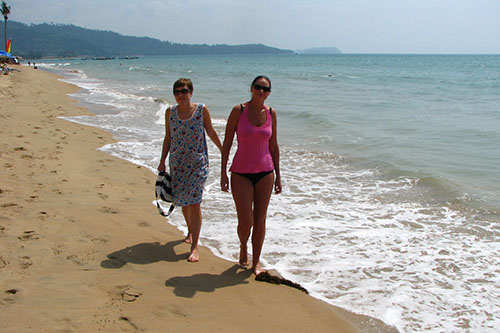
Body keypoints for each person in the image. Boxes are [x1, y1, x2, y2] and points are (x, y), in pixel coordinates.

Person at [221, 75, 282, 275]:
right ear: (251, 88)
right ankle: (243, 245)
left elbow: (273, 146)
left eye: (265, 89)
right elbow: (228, 142)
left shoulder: (271, 113)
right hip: (240, 172)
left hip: (266, 172)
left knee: (260, 219)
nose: (261, 91)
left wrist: (279, 175)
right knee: (246, 221)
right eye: (258, 87)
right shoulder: (238, 111)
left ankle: (256, 262)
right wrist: (222, 172)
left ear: (269, 93)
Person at [158, 78, 222, 262]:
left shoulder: (201, 110)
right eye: (176, 92)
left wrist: (223, 149)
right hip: (177, 163)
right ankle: (190, 231)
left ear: (191, 92)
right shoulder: (170, 112)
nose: (180, 95)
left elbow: (210, 131)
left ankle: (194, 248)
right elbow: (168, 138)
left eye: (184, 91)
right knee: (183, 202)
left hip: (198, 163)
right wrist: (162, 160)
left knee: (195, 202)